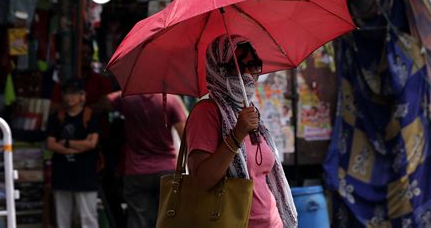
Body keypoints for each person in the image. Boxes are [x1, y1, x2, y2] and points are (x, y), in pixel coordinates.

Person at [186, 34, 297, 228]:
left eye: (252, 65)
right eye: (234, 67)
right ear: (217, 71)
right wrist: (237, 135)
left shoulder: (250, 113)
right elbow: (201, 181)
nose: (246, 74)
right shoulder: (206, 113)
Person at [105, 91, 187, 228]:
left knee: (138, 218)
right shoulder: (172, 100)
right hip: (167, 169)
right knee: (167, 217)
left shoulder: (127, 98)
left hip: (136, 170)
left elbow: (105, 102)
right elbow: (185, 136)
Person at [46, 77, 100, 228]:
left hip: (85, 175)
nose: (69, 97)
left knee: (88, 217)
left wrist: (67, 144)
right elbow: (51, 144)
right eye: (66, 93)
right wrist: (79, 147)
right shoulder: (56, 117)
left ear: (83, 95)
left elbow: (92, 143)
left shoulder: (90, 116)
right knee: (62, 218)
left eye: (74, 93)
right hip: (62, 175)